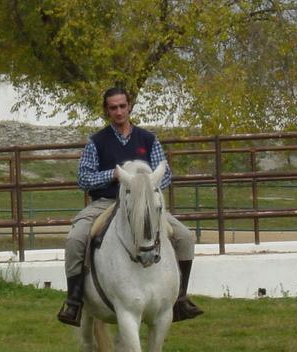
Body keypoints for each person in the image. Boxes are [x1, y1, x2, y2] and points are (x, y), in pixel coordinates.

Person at [57, 87, 204, 327]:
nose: (118, 112)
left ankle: (180, 299)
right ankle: (74, 300)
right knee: (76, 239)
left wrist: (145, 184)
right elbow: (83, 179)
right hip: (105, 203)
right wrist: (113, 175)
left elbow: (165, 174)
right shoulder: (96, 142)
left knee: (185, 237)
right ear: (107, 110)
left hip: (143, 204)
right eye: (113, 107)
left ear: (130, 107)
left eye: (122, 106)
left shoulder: (148, 139)